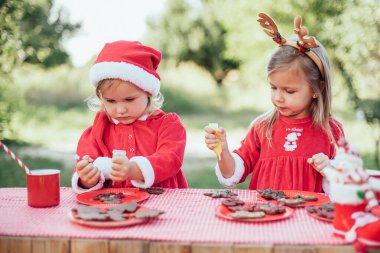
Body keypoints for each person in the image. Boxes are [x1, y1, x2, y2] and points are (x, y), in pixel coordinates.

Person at [204, 13, 344, 192]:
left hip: (308, 218)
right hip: (267, 216)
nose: (278, 97)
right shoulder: (263, 127)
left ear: (318, 89)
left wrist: (330, 168)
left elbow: (347, 180)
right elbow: (232, 174)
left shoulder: (332, 131)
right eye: (273, 87)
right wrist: (222, 151)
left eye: (290, 91)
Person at [72, 40, 188, 193]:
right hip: (113, 209)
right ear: (101, 98)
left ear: (148, 92)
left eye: (129, 99)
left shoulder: (168, 125)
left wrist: (135, 170)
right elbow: (85, 167)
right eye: (110, 101)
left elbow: (170, 159)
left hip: (164, 202)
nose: (120, 110)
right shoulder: (96, 132)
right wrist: (87, 179)